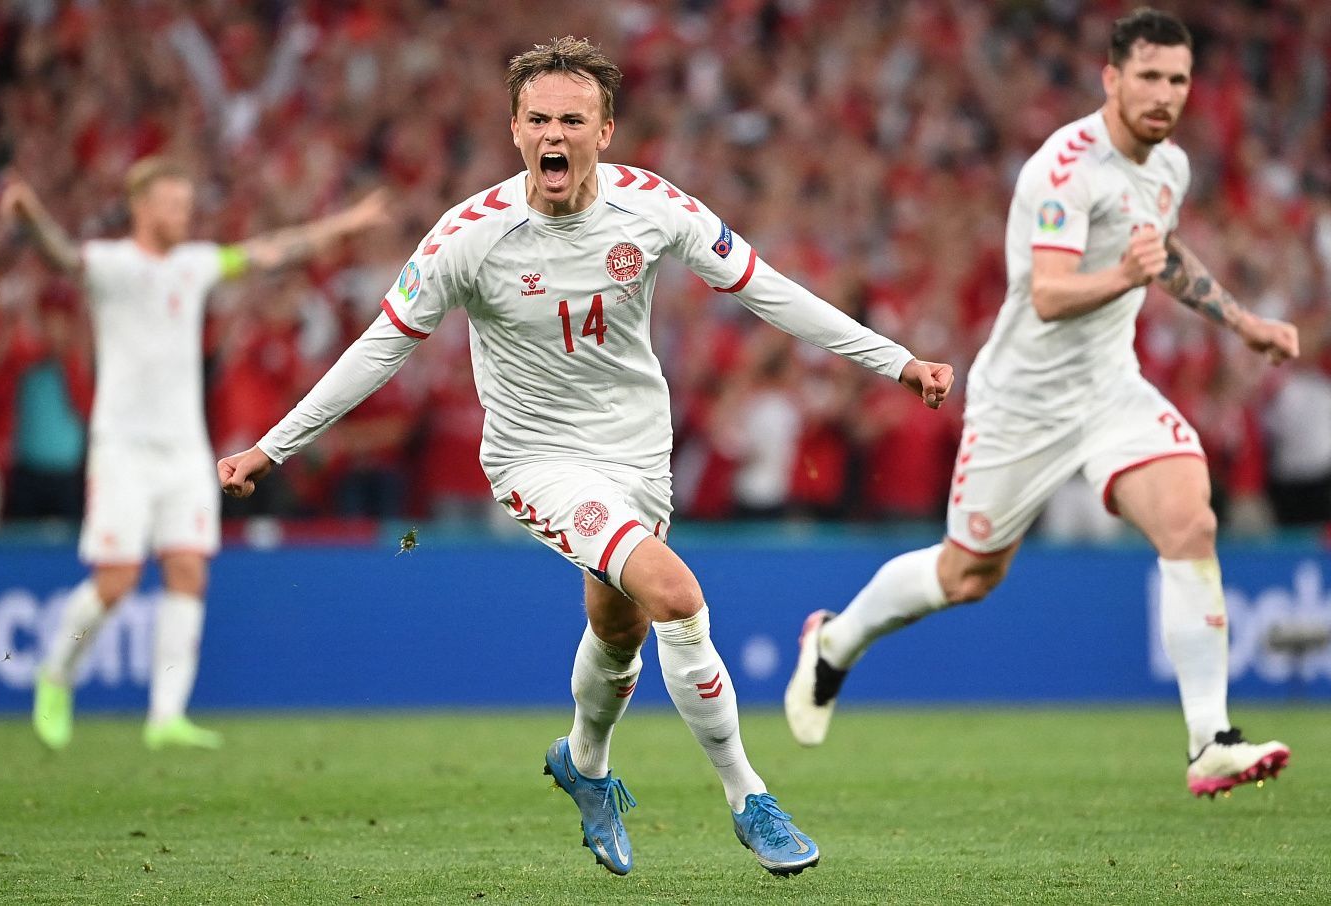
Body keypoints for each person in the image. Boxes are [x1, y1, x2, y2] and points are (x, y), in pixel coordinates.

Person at [218, 37, 953, 876]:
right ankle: (749, 797)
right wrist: (274, 446)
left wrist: (896, 361)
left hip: (638, 454)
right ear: (514, 129)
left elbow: (768, 290)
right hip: (536, 459)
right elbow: (381, 347)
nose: (553, 135)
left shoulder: (653, 208)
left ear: (605, 131)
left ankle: (584, 764)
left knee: (620, 629)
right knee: (676, 595)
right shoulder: (469, 236)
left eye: (572, 120)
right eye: (538, 120)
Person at [784, 8, 1298, 800]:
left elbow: (1157, 251)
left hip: (1110, 389)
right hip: (1022, 401)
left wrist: (1242, 321)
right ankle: (834, 643)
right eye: (1148, 77)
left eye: (1178, 79)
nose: (1164, 94)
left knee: (1191, 522)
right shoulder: (1063, 168)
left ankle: (1210, 742)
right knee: (965, 576)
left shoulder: (1170, 166)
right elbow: (1052, 293)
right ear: (1111, 78)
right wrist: (1127, 275)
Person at [0, 157, 388, 751]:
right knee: (116, 582)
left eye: (187, 204)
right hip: (123, 449)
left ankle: (166, 716)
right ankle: (56, 675)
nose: (185, 215)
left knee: (188, 571)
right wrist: (29, 217)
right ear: (142, 207)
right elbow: (60, 256)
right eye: (174, 204)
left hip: (185, 450)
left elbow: (269, 251)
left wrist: (345, 223)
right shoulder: (111, 264)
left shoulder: (196, 264)